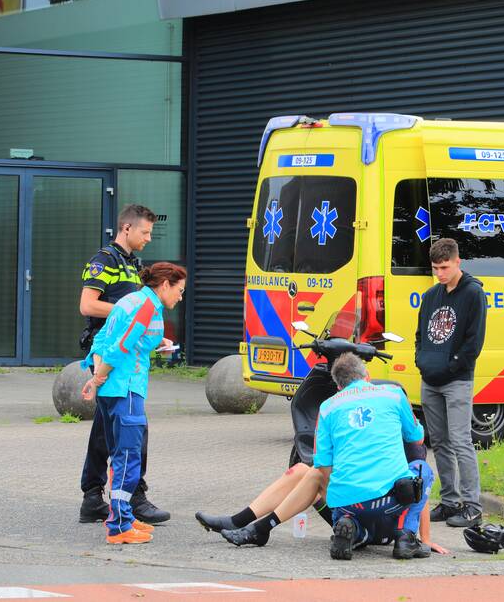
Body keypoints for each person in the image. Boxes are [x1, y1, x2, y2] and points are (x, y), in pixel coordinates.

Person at [77, 204, 171, 525]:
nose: (148, 238)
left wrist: (151, 337)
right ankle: (133, 496)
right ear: (126, 229)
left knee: (107, 426)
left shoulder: (134, 265)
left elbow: (139, 312)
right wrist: (125, 311)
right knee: (132, 425)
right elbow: (87, 304)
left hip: (126, 353)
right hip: (107, 353)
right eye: (145, 232)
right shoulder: (105, 261)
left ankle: (93, 495)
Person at [81, 262, 187, 544]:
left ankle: (124, 518)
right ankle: (119, 527)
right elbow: (122, 346)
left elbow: (104, 338)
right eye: (179, 290)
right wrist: (98, 378)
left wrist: (95, 372)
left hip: (114, 390)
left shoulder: (132, 300)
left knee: (120, 456)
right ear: (165, 285)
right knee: (128, 457)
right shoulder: (147, 307)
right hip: (126, 387)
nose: (180, 296)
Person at [194, 442, 448, 555]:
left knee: (314, 475)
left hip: (386, 522)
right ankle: (240, 521)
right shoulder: (365, 431)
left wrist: (424, 540)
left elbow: (419, 492)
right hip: (353, 508)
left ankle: (258, 528)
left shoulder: (408, 442)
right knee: (304, 471)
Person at [312, 353, 430, 560]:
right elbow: (417, 438)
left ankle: (349, 526)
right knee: (423, 470)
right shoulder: (393, 394)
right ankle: (406, 537)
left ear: (339, 386)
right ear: (367, 375)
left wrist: (337, 499)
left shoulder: (327, 408)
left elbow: (322, 464)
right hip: (389, 498)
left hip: (346, 503)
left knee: (352, 513)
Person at [415, 238, 487, 528]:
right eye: (435, 268)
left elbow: (474, 342)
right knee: (440, 443)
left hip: (456, 380)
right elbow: (420, 333)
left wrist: (451, 366)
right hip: (430, 379)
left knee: (460, 441)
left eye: (444, 267)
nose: (439, 274)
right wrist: (422, 361)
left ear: (458, 262)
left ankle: (472, 506)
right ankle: (448, 502)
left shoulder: (473, 294)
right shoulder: (431, 295)